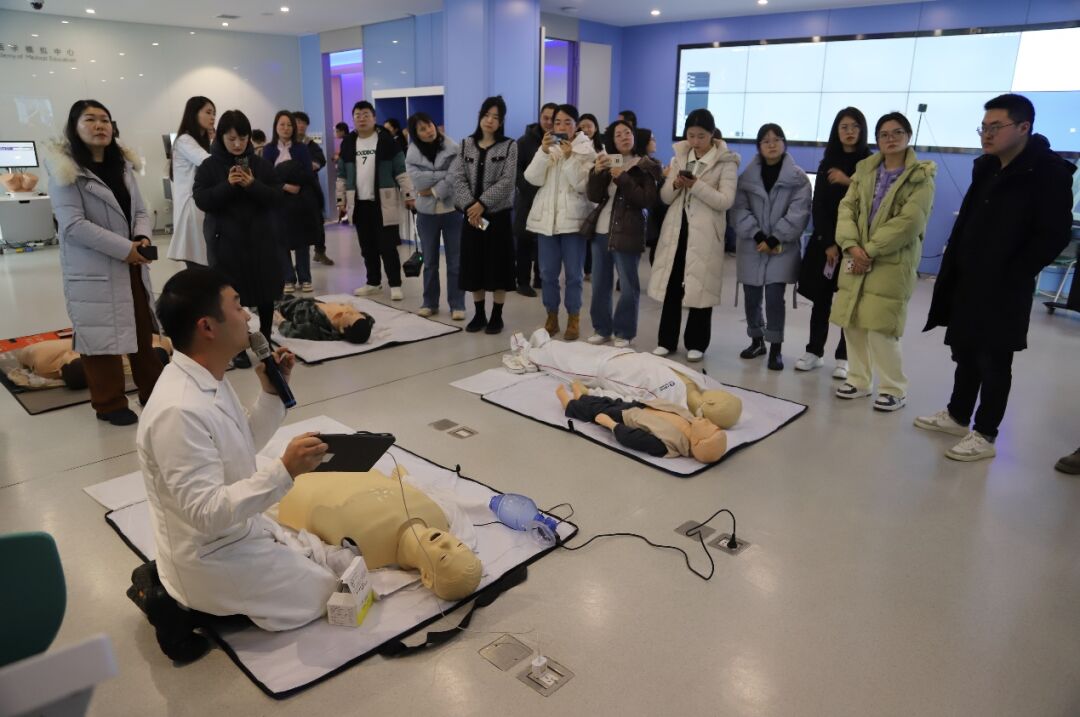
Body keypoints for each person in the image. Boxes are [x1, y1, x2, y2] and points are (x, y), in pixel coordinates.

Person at [136, 267, 341, 655]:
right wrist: (285, 470)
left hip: (234, 530)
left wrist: (271, 394)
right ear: (207, 327)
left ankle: (183, 587)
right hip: (209, 552)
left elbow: (238, 443)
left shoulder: (207, 377)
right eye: (236, 305)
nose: (247, 315)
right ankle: (173, 604)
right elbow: (206, 513)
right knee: (327, 595)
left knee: (318, 560)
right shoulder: (178, 411)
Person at [918, 94, 1074, 460]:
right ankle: (958, 415)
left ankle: (985, 433)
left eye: (995, 127)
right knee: (965, 350)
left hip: (1005, 284)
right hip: (969, 277)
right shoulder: (987, 166)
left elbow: (1054, 234)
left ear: (1023, 127)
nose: (987, 134)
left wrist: (1015, 272)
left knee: (994, 358)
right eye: (983, 127)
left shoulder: (1048, 172)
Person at [46, 100, 165, 426]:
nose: (99, 126)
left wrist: (141, 238)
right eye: (90, 120)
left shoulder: (122, 165)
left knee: (142, 329)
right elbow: (73, 225)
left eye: (105, 120)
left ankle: (154, 393)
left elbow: (140, 210)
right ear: (74, 127)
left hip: (131, 263)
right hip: (93, 269)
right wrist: (125, 248)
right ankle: (109, 403)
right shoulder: (65, 170)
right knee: (100, 340)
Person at [830, 112, 936, 412]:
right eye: (884, 134)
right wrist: (852, 245)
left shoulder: (921, 176)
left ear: (908, 136)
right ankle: (858, 380)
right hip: (856, 256)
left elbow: (909, 222)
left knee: (881, 328)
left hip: (891, 260)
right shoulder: (865, 170)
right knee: (852, 323)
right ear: (877, 139)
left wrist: (869, 250)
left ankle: (893, 388)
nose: (891, 138)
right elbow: (846, 209)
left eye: (897, 132)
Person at [277, 468, 482, 601]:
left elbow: (309, 548)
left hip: (296, 480)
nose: (445, 542)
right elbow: (404, 476)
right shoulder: (437, 515)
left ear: (427, 578)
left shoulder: (367, 556)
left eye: (444, 557)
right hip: (353, 464)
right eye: (458, 544)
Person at [504, 329, 743, 430]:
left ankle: (529, 351)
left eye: (723, 396)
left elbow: (626, 401)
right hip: (622, 356)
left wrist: (592, 394)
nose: (721, 391)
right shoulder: (697, 381)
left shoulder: (671, 401)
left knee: (562, 362)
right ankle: (548, 343)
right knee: (578, 349)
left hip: (604, 371)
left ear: (712, 403)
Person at [193, 109, 284, 367]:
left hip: (260, 240)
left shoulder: (260, 165)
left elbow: (277, 197)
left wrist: (252, 185)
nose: (237, 144)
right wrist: (227, 185)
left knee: (265, 292)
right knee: (230, 297)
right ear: (221, 137)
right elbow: (201, 199)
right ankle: (236, 346)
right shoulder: (209, 166)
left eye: (242, 139)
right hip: (226, 243)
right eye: (231, 139)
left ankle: (265, 338)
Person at [647, 109, 740, 362]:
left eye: (701, 136)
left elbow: (725, 200)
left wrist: (696, 185)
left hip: (706, 233)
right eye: (691, 135)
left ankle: (697, 343)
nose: (696, 142)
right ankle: (666, 340)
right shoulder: (680, 156)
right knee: (672, 284)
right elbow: (665, 197)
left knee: (701, 285)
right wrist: (676, 184)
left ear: (712, 135)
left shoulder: (726, 161)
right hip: (677, 229)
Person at [795, 108, 870, 378]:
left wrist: (848, 181)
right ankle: (814, 351)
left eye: (854, 126)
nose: (849, 132)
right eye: (844, 127)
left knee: (850, 302)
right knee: (821, 300)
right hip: (827, 245)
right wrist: (828, 242)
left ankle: (844, 358)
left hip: (855, 246)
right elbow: (819, 205)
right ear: (836, 131)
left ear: (862, 130)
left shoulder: (870, 163)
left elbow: (871, 201)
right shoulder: (827, 162)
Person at [731, 123, 812, 371]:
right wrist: (757, 235)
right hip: (752, 246)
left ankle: (775, 347)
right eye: (766, 141)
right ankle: (756, 341)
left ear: (784, 143)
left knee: (775, 298)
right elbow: (739, 210)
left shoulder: (798, 179)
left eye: (777, 139)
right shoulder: (746, 177)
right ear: (759, 146)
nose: (772, 144)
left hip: (781, 248)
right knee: (751, 297)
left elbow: (799, 212)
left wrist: (775, 238)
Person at [584, 119, 662, 347]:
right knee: (599, 283)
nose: (624, 137)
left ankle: (624, 332)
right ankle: (602, 328)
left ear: (634, 136)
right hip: (601, 230)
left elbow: (646, 200)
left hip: (629, 231)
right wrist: (597, 173)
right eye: (618, 135)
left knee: (628, 286)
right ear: (612, 141)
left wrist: (623, 178)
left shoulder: (647, 165)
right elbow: (594, 196)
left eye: (627, 133)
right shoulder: (608, 160)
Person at [525, 103, 598, 341]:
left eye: (568, 122)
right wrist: (543, 152)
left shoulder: (586, 150)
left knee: (574, 275)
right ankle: (552, 316)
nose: (562, 126)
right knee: (547, 273)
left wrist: (569, 158)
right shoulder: (548, 147)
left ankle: (573, 318)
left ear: (576, 126)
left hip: (573, 221)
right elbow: (531, 178)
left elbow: (583, 185)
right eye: (558, 122)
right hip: (547, 220)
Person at [450, 96, 518, 334]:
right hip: (472, 218)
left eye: (496, 117)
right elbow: (458, 178)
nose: (490, 120)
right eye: (487, 115)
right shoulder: (466, 144)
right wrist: (471, 206)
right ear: (480, 117)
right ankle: (479, 315)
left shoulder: (509, 146)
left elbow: (507, 181)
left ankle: (496, 317)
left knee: (498, 268)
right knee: (474, 266)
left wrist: (482, 204)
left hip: (497, 218)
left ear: (501, 122)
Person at [341, 101, 415, 301]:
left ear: (374, 118)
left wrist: (409, 195)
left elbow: (401, 170)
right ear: (353, 119)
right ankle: (373, 282)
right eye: (357, 115)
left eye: (366, 114)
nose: (361, 118)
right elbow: (342, 174)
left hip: (384, 202)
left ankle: (395, 284)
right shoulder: (348, 142)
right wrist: (341, 200)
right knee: (367, 247)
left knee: (388, 246)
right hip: (359, 203)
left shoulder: (387, 140)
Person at [556, 381, 728, 463]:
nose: (709, 423)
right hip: (641, 408)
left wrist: (611, 425)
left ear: (697, 442)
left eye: (709, 428)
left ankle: (570, 405)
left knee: (598, 411)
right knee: (609, 402)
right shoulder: (692, 421)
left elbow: (634, 439)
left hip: (629, 419)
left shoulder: (669, 445)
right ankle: (582, 398)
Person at [406, 112, 465, 320]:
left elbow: (456, 176)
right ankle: (429, 303)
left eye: (429, 125)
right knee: (430, 262)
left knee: (455, 262)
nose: (428, 131)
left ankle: (457, 304)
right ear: (416, 134)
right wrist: (442, 176)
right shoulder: (411, 155)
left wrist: (432, 190)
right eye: (422, 129)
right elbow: (418, 182)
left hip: (452, 212)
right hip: (426, 215)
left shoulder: (453, 148)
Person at [263, 110, 321, 295]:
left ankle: (305, 278)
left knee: (302, 241)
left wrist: (295, 183)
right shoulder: (268, 149)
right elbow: (266, 176)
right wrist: (284, 185)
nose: (286, 128)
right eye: (282, 124)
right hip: (278, 200)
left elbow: (307, 173)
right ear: (275, 127)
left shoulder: (301, 148)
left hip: (300, 199)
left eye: (289, 125)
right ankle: (288, 277)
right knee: (281, 241)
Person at [514, 102, 558, 296]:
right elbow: (516, 169)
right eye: (545, 118)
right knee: (524, 241)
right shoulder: (524, 142)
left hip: (549, 198)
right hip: (527, 198)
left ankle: (540, 278)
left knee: (545, 240)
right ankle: (522, 281)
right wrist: (525, 187)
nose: (548, 122)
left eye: (552, 119)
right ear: (540, 118)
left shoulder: (561, 141)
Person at [167, 96, 215, 268]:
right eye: (208, 112)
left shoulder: (199, 142)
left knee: (203, 261)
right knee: (198, 264)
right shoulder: (184, 140)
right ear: (194, 114)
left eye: (214, 113)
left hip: (199, 207)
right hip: (191, 207)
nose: (212, 117)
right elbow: (208, 162)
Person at [294, 110, 334, 266]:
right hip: (291, 190)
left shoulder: (310, 144)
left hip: (310, 188)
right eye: (298, 122)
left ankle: (320, 252)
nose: (301, 125)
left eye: (304, 123)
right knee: (295, 224)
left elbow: (320, 159)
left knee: (317, 221)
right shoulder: (285, 145)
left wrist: (312, 165)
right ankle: (297, 260)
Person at [332, 121, 352, 223]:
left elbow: (344, 157)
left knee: (343, 191)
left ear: (342, 131)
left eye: (337, 131)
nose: (335, 133)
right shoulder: (348, 140)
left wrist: (338, 158)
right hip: (347, 175)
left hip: (346, 175)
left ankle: (346, 213)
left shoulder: (346, 141)